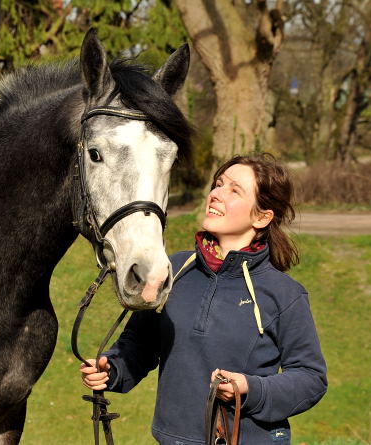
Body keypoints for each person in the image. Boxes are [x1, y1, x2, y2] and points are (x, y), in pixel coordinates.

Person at [80, 154, 327, 445]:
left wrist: (250, 388)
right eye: (218, 184)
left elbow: (311, 378)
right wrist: (113, 368)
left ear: (262, 216)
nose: (216, 194)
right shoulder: (174, 270)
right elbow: (139, 345)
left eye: (234, 190)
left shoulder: (285, 294)